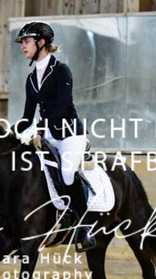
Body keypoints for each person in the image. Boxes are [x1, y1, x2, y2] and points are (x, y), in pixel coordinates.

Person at [13, 21, 96, 252]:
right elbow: (27, 116)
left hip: (70, 134)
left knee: (67, 172)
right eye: (22, 42)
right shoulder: (31, 79)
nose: (23, 46)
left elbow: (61, 108)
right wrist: (10, 133)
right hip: (48, 135)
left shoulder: (61, 71)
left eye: (27, 41)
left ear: (41, 42)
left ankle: (85, 227)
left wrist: (38, 127)